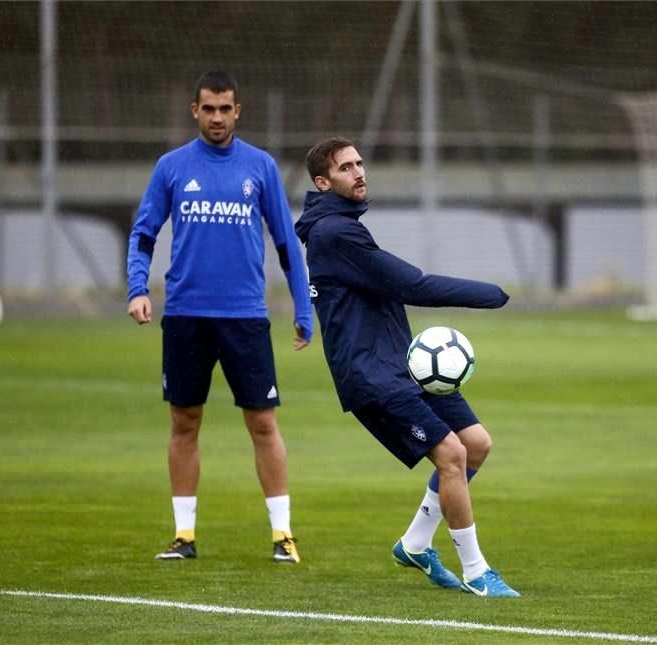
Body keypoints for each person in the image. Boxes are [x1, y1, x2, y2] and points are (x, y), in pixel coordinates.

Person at [295, 137, 519, 597]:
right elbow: (410, 284)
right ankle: (477, 572)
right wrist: (488, 294)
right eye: (346, 168)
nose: (359, 172)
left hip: (403, 364)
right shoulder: (334, 234)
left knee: (475, 444)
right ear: (323, 182)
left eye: (360, 163)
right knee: (453, 455)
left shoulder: (342, 226)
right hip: (373, 376)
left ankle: (415, 544)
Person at [127, 70, 313, 563]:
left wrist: (304, 305)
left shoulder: (261, 167)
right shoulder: (172, 167)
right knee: (184, 422)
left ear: (238, 110)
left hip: (244, 316)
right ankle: (184, 536)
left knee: (263, 424)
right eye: (207, 109)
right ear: (195, 111)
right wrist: (137, 288)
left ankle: (283, 536)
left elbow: (286, 241)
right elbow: (144, 233)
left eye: (224, 108)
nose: (216, 117)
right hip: (186, 314)